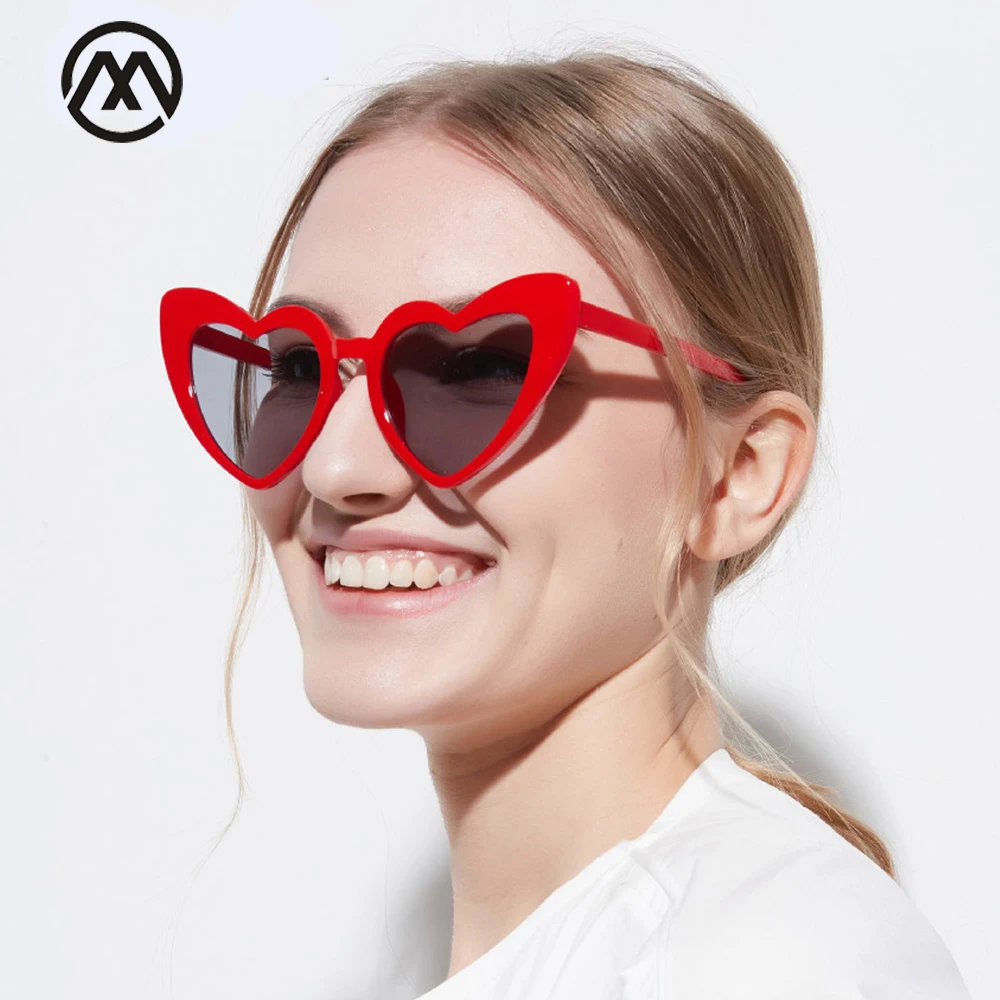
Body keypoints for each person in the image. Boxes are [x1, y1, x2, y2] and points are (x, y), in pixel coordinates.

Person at [159, 43, 974, 999]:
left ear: (737, 477)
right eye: (298, 370)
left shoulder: (771, 959)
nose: (335, 467)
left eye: (479, 367)